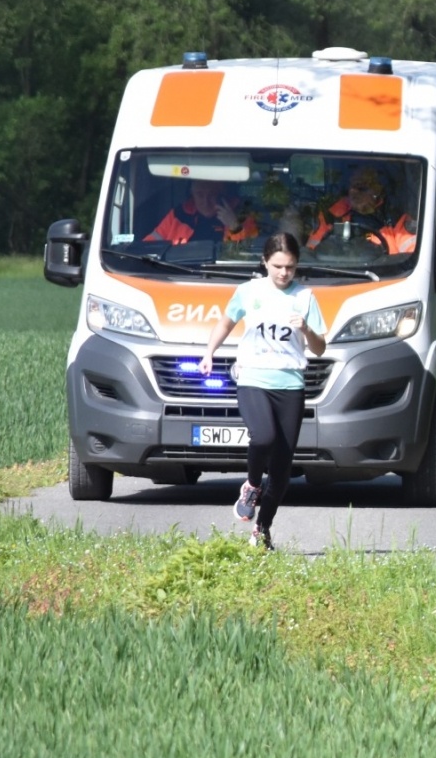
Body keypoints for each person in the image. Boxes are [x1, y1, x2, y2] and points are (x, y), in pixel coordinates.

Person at [198, 232, 327, 550]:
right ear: (265, 263)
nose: (284, 273)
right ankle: (252, 485)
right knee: (264, 437)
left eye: (291, 267)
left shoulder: (305, 297)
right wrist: (209, 352)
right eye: (278, 266)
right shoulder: (248, 291)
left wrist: (306, 329)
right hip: (253, 378)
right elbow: (226, 323)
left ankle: (263, 529)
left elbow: (320, 348)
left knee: (283, 470)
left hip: (291, 385)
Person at [306, 166, 416, 254]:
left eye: (361, 187)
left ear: (376, 190)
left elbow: (410, 258)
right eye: (351, 186)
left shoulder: (396, 219)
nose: (353, 191)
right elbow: (312, 253)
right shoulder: (330, 216)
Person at [146, 179, 258, 245]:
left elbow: (245, 257)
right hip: (179, 274)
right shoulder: (178, 215)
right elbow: (148, 246)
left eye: (212, 195)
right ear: (192, 195)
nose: (205, 201)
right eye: (200, 195)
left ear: (222, 196)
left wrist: (234, 226)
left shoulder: (243, 217)